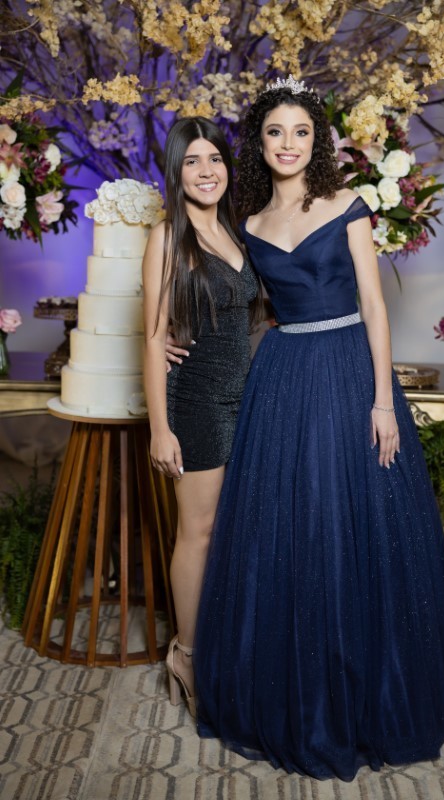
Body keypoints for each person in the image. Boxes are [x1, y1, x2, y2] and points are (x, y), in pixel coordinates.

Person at [191, 78, 444, 780]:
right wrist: (168, 338)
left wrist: (382, 402)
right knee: (290, 524)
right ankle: (294, 691)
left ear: (317, 142)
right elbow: (228, 298)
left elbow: (374, 305)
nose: (287, 144)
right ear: (258, 143)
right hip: (283, 375)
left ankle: (370, 688)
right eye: (275, 132)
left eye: (301, 132)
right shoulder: (247, 221)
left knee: (358, 519)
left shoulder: (347, 204)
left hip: (348, 370)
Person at [142, 117, 260, 718]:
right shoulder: (168, 237)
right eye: (192, 161)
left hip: (248, 399)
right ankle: (185, 654)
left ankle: (220, 643)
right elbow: (153, 338)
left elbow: (254, 317)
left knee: (234, 529)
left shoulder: (239, 233)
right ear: (176, 171)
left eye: (214, 158)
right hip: (196, 403)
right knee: (199, 531)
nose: (206, 170)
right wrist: (160, 428)